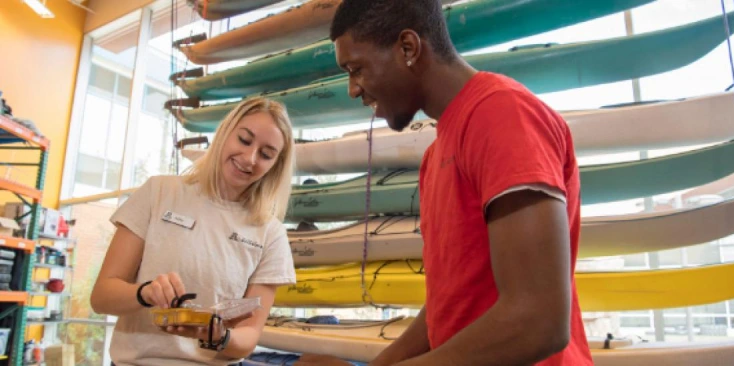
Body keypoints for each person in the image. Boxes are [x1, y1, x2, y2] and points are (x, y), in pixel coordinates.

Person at [295, 0, 593, 365]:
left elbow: (537, 322)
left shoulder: (502, 114)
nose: (352, 90)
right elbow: (446, 308)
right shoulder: (435, 156)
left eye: (357, 69)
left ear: (408, 48)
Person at [91, 97, 297, 365]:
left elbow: (249, 335)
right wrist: (146, 292)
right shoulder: (158, 192)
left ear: (275, 166)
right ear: (225, 132)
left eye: (266, 154)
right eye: (244, 140)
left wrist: (219, 337)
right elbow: (101, 298)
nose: (249, 158)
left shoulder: (271, 233)